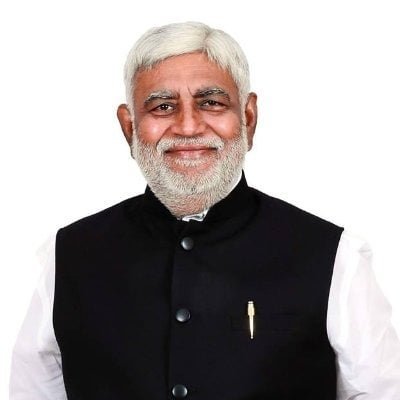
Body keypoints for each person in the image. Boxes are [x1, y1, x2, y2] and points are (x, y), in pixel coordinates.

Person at [9, 21, 400, 400]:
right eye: (162, 106)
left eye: (211, 103)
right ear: (129, 128)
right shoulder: (69, 254)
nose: (188, 127)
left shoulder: (334, 256)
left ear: (248, 118)